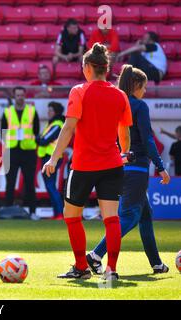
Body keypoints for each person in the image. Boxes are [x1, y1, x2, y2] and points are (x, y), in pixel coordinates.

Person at [43, 43, 133, 280]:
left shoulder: (79, 91)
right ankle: (111, 271)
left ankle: (81, 268)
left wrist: (53, 158)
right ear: (106, 67)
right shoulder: (120, 95)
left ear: (88, 67)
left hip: (83, 165)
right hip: (113, 164)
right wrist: (124, 152)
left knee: (71, 215)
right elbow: (124, 133)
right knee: (111, 219)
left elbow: (68, 127)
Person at [87, 65, 171, 275]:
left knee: (144, 215)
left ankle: (156, 263)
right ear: (136, 85)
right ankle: (96, 254)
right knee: (130, 216)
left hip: (117, 165)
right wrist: (160, 167)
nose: (145, 92)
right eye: (144, 87)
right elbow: (148, 139)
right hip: (137, 168)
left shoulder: (116, 103)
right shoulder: (139, 106)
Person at [1, 86, 40, 220]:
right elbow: (3, 131)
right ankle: (7, 211)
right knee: (10, 182)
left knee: (30, 183)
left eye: (22, 95)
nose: (20, 97)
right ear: (14, 97)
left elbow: (36, 131)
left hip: (28, 151)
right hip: (12, 151)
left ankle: (33, 212)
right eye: (17, 95)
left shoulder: (32, 111)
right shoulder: (7, 112)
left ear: (25, 96)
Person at [36, 102, 65, 220]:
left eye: (50, 110)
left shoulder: (57, 124)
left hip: (52, 158)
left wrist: (39, 139)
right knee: (49, 186)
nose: (48, 112)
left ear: (56, 112)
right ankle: (57, 213)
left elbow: (43, 140)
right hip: (49, 157)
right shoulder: (53, 123)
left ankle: (59, 213)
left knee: (51, 186)